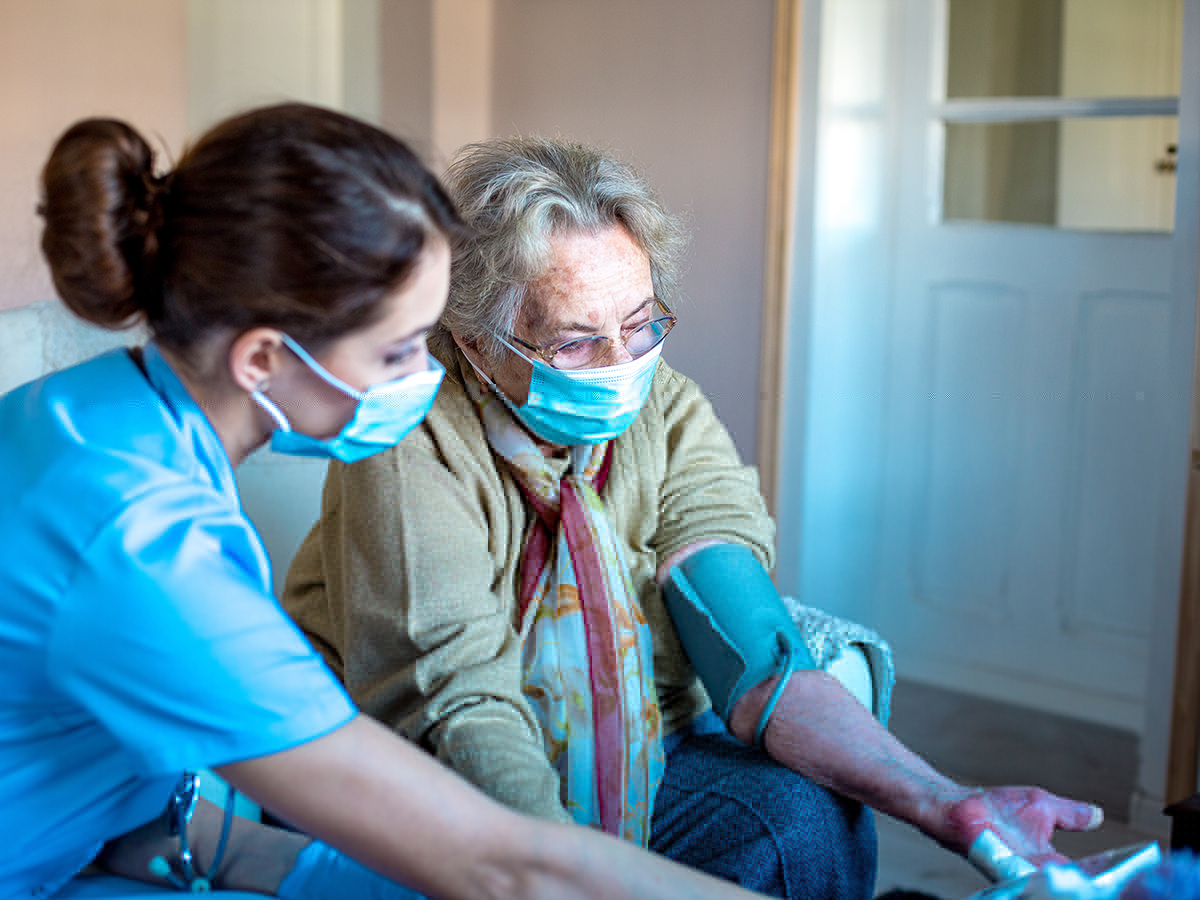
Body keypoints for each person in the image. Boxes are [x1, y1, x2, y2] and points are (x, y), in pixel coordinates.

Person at [282, 136, 1105, 900]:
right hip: (427, 760)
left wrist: (947, 803)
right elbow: (457, 705)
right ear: (473, 341)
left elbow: (753, 654)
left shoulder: (666, 411)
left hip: (639, 742)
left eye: (640, 325)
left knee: (803, 819)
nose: (622, 366)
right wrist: (565, 873)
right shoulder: (411, 437)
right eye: (575, 343)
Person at [0, 105, 775, 900]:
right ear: (262, 359)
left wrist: (294, 869)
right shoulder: (141, 549)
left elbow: (120, 797)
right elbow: (507, 866)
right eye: (401, 350)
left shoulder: (85, 415)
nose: (428, 380)